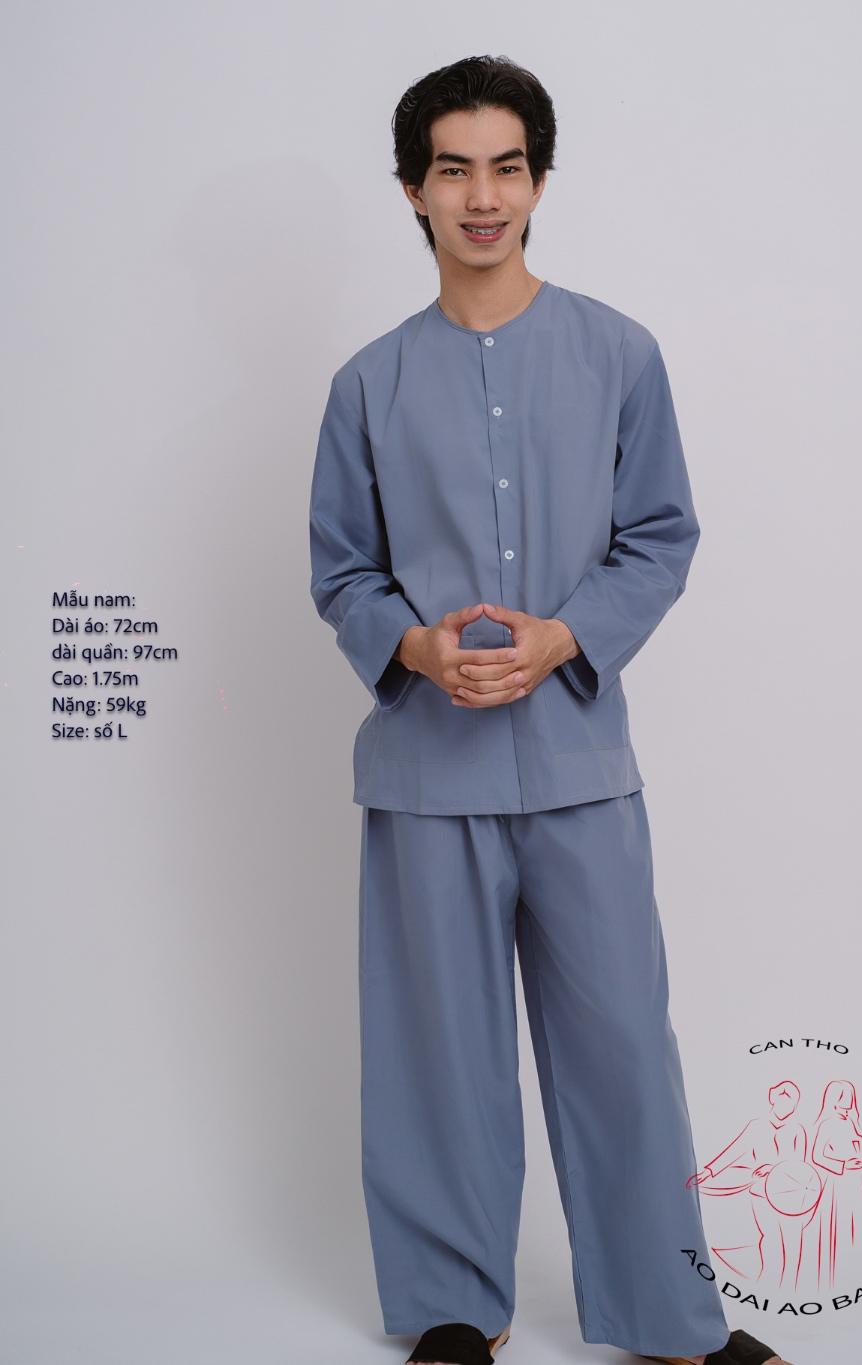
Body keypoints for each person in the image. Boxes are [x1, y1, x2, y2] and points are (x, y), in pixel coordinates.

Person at [309, 53, 793, 1365]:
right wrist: (413, 644)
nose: (483, 195)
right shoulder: (367, 385)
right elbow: (341, 569)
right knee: (438, 1057)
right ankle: (453, 1310)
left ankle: (671, 1318)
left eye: (507, 167)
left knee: (624, 1044)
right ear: (412, 190)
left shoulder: (619, 354)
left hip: (581, 763)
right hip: (426, 775)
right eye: (453, 168)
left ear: (538, 181)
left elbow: (661, 535)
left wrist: (565, 635)